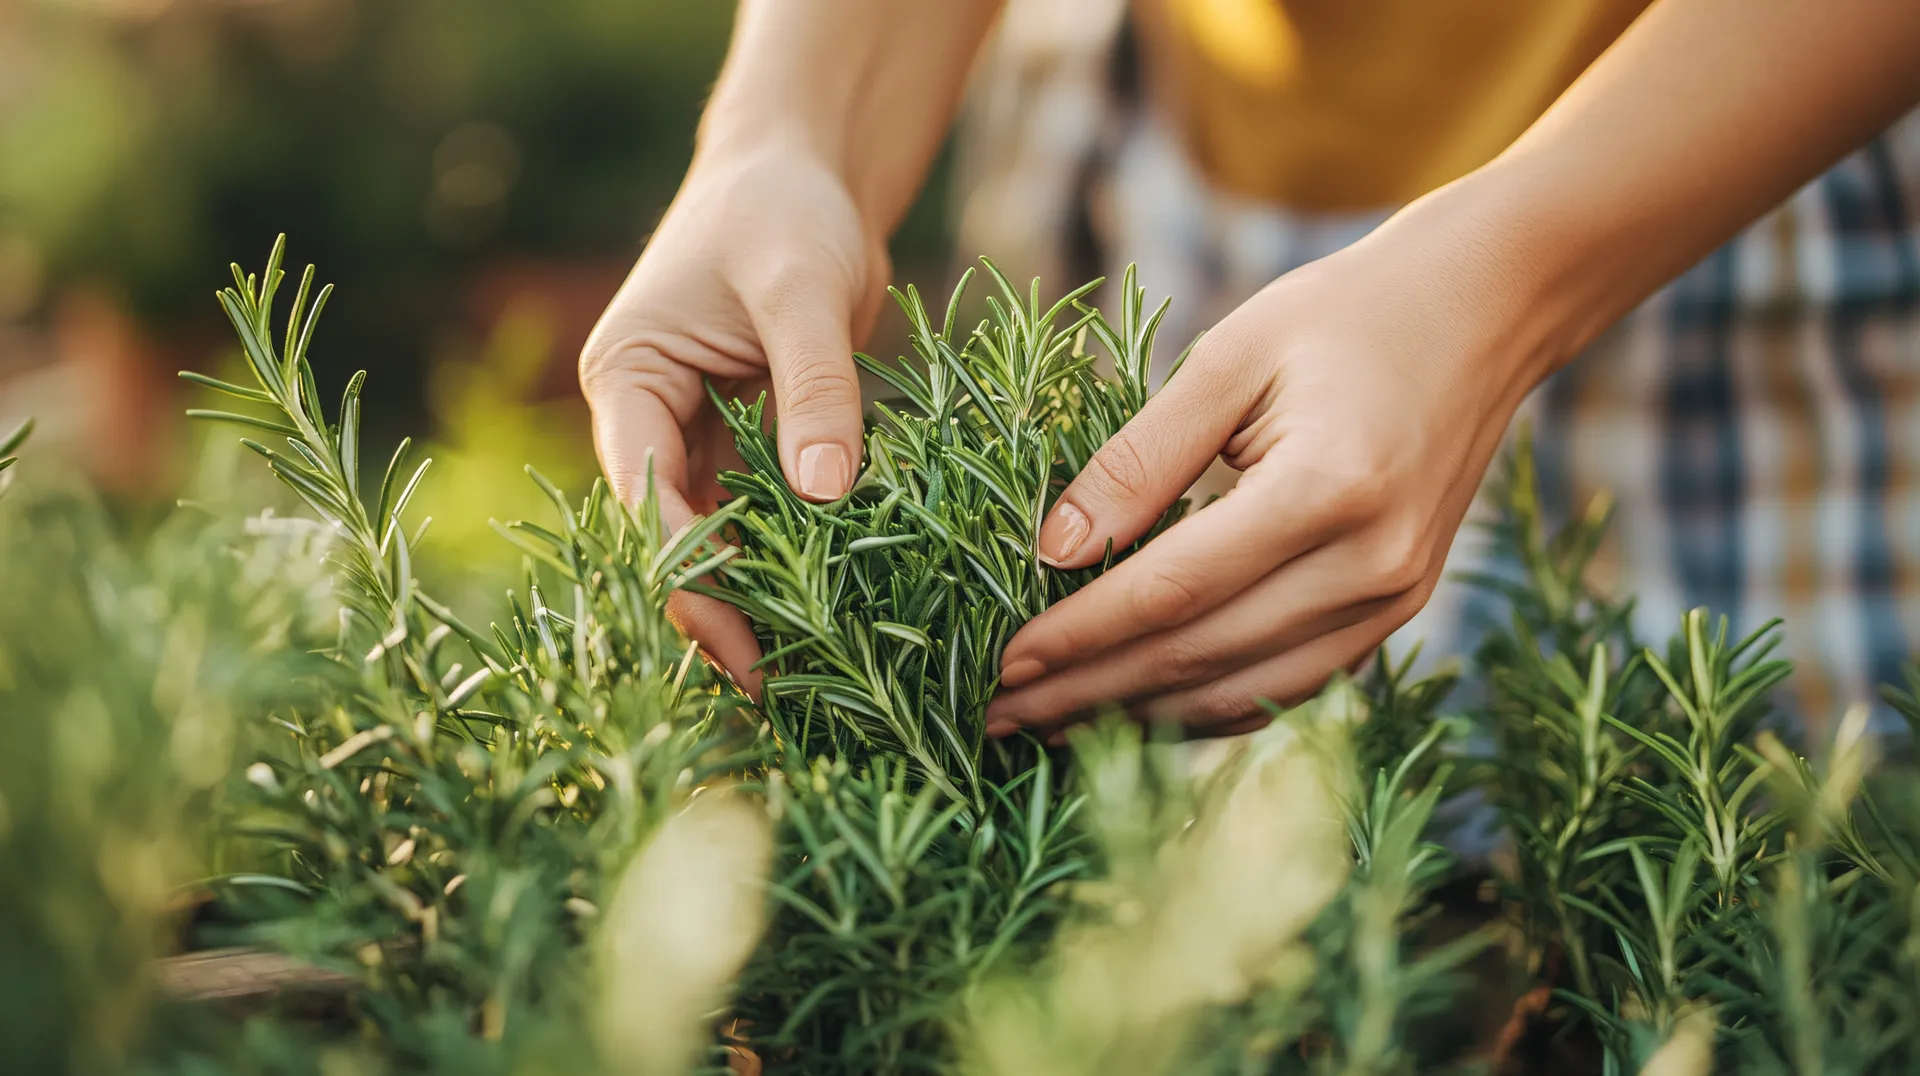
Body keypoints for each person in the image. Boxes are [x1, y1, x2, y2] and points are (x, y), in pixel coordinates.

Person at [580, 0, 1920, 744]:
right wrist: (786, 136)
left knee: (1785, 847)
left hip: (1718, 173)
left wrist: (1508, 284)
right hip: (1168, 153)